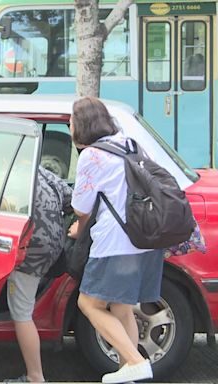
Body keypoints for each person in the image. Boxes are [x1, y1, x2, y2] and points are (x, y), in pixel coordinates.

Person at [68, 97, 163, 384]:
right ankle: (130, 373)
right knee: (121, 308)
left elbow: (81, 207)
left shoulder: (91, 156)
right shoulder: (130, 143)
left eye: (71, 120)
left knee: (89, 304)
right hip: (145, 240)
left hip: (114, 244)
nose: (70, 125)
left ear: (81, 125)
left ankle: (135, 361)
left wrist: (76, 228)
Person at [5, 165, 73, 383]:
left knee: (22, 313)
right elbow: (72, 199)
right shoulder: (40, 169)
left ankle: (35, 377)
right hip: (53, 245)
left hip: (30, 249)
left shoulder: (6, 174)